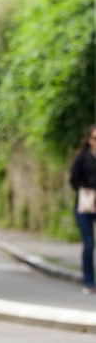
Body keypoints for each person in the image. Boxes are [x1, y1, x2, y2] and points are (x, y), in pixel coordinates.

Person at [70, 126, 96, 294]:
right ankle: (89, 281)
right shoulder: (82, 158)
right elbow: (73, 180)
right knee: (89, 244)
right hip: (85, 206)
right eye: (95, 138)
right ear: (89, 140)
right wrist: (85, 189)